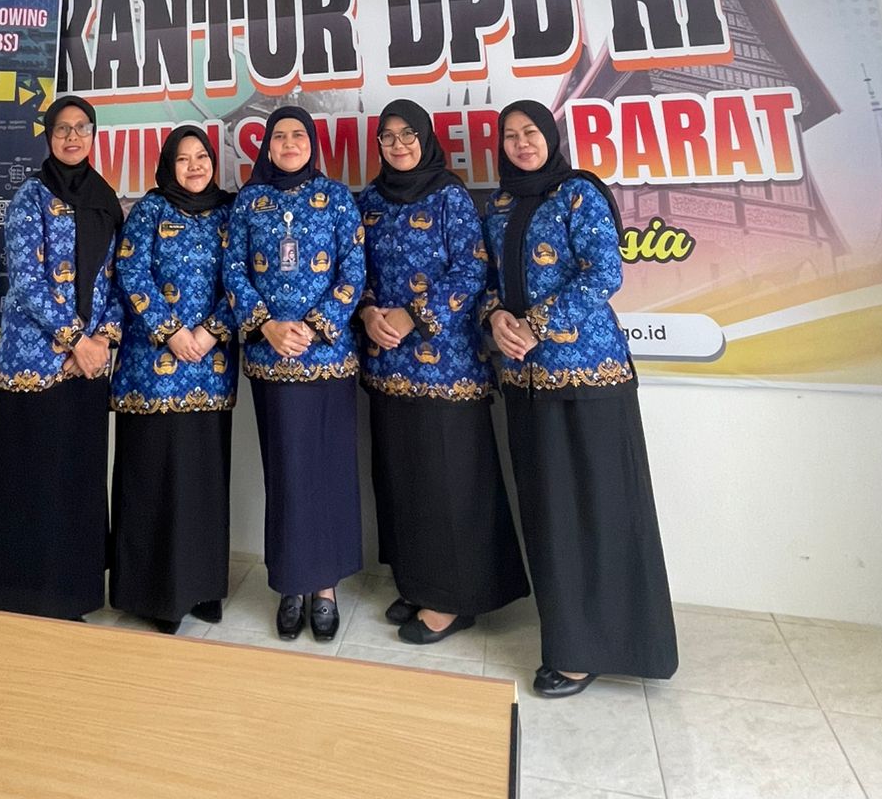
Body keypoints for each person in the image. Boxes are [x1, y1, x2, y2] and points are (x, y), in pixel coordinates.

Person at [482, 99, 678, 696]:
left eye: (531, 132)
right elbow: (489, 281)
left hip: (590, 380)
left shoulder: (578, 193)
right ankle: (570, 644)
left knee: (603, 509)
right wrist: (495, 319)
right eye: (510, 135)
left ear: (551, 137)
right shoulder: (499, 204)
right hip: (525, 382)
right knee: (551, 516)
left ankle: (610, 646)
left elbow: (603, 273)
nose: (522, 143)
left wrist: (536, 324)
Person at [356, 100, 529, 645]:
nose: (399, 145)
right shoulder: (369, 201)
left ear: (426, 138)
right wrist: (368, 312)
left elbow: (472, 270)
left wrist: (414, 316)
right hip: (387, 363)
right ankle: (420, 583)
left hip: (447, 366)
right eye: (388, 137)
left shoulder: (450, 196)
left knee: (449, 482)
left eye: (408, 134)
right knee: (403, 481)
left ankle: (454, 600)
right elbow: (355, 270)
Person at [0, 95, 122, 619]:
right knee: (29, 478)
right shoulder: (29, 197)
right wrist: (77, 340)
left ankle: (72, 593)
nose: (72, 137)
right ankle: (16, 594)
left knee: (77, 477)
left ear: (94, 135)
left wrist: (102, 343)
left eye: (82, 128)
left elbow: (114, 281)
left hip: (88, 368)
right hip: (34, 363)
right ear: (49, 136)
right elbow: (28, 282)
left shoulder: (104, 199)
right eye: (62, 128)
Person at [222, 106, 366, 642]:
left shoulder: (338, 198)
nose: (288, 143)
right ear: (267, 146)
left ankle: (325, 587)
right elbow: (233, 270)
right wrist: (268, 326)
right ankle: (290, 584)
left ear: (312, 143)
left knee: (328, 469)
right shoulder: (250, 202)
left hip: (327, 357)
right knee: (285, 471)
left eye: (298, 135)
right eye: (279, 135)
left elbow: (354, 269)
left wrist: (315, 325)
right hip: (271, 359)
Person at [109, 126, 236, 633]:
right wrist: (170, 332)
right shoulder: (150, 210)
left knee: (203, 481)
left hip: (210, 366)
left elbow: (245, 278)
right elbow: (130, 272)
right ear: (168, 166)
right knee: (152, 478)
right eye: (183, 159)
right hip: (151, 370)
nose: (195, 166)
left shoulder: (230, 212)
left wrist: (208, 332)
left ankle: (202, 589)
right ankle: (152, 594)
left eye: (202, 156)